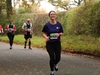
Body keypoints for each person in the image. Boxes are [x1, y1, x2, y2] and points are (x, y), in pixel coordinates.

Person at [42, 10, 63, 75]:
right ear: (49, 16)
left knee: (58, 58)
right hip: (49, 44)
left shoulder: (59, 24)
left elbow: (62, 32)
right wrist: (46, 37)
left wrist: (59, 34)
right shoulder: (47, 25)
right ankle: (52, 71)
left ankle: (56, 63)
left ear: (55, 15)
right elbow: (43, 32)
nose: (52, 15)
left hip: (57, 43)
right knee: (52, 57)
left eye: (54, 14)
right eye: (51, 14)